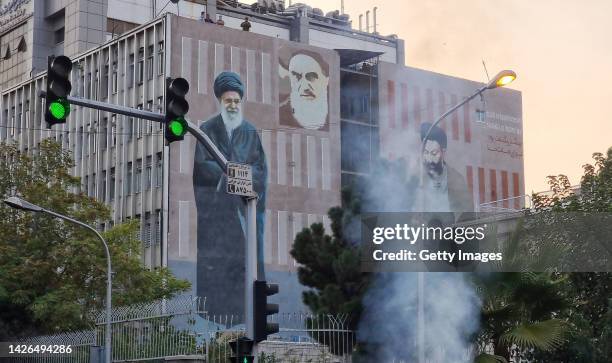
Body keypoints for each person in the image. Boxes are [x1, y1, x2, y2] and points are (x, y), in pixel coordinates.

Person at [193, 71, 268, 316]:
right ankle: (213, 317)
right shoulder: (207, 129)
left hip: (244, 214)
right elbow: (202, 166)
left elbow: (260, 170)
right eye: (228, 101)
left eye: (236, 101)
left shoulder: (250, 131)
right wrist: (226, 176)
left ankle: (247, 317)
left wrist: (238, 176)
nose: (233, 105)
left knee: (247, 269)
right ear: (220, 101)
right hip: (217, 219)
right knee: (217, 269)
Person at [418, 122, 474, 213]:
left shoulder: (456, 179)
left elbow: (467, 212)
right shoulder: (417, 177)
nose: (429, 159)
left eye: (434, 153)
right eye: (426, 152)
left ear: (443, 153)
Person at [279, 51, 330, 130]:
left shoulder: (334, 118)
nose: (304, 87)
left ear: (326, 81)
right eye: (296, 76)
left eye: (311, 77)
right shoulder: (279, 115)